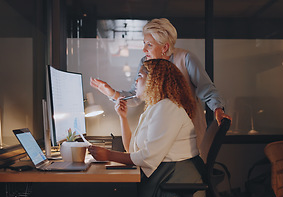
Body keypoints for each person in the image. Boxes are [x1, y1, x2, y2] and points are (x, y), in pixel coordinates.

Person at [88, 59, 205, 197]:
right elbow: (131, 149)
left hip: (175, 182)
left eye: (140, 76)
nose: (136, 81)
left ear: (155, 80)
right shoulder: (155, 107)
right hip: (167, 176)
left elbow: (147, 156)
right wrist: (123, 117)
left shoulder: (167, 108)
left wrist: (109, 155)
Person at [90, 18, 231, 148]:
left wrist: (218, 109)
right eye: (144, 43)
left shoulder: (186, 59)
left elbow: (206, 89)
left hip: (187, 135)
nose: (144, 49)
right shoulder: (145, 63)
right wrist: (111, 92)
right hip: (161, 133)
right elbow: (136, 96)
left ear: (164, 47)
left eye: (149, 45)